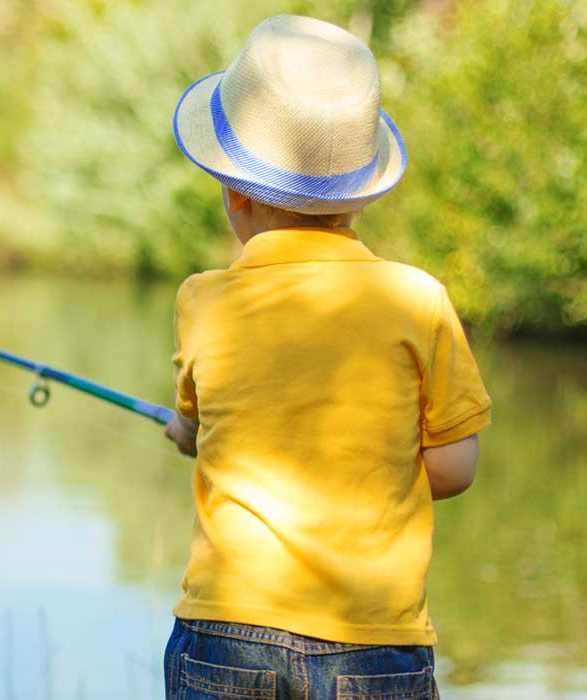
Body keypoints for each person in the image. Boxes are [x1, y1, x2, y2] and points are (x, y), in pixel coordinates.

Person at [159, 14, 491, 700]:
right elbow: (454, 467)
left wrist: (185, 433)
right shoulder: (418, 300)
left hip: (226, 634)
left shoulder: (204, 301)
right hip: (374, 642)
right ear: (360, 196)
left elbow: (201, 427)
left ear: (234, 190)